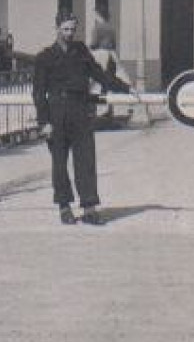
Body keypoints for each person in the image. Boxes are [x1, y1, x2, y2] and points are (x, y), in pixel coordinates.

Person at [32, 13, 125, 226]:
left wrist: (125, 88)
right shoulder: (45, 57)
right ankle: (64, 207)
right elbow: (38, 93)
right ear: (57, 28)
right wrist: (43, 122)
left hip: (80, 109)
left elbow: (100, 75)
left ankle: (90, 207)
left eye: (72, 29)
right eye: (65, 29)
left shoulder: (81, 51)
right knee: (59, 163)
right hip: (57, 112)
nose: (69, 33)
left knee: (86, 160)